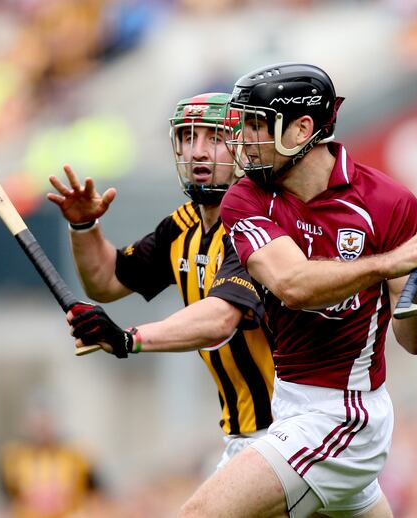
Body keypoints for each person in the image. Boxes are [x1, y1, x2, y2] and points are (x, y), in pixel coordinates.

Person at [178, 63, 417, 518]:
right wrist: (396, 260)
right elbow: (293, 285)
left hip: (344, 416)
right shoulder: (246, 197)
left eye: (257, 124)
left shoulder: (388, 204)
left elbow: (416, 338)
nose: (243, 138)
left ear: (302, 128)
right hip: (288, 409)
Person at [46, 92, 275, 469]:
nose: (197, 152)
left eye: (214, 139)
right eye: (188, 138)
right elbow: (105, 280)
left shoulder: (256, 223)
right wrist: (84, 225)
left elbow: (221, 318)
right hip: (247, 437)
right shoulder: (182, 227)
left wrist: (126, 339)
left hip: (287, 433)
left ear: (243, 149)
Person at [0, 389, 107, 518]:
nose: (42, 425)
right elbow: (6, 501)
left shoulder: (79, 454)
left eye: (47, 419)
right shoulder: (13, 457)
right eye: (38, 420)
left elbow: (99, 494)